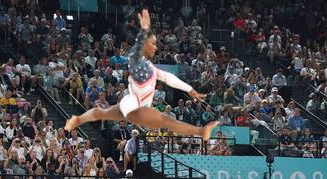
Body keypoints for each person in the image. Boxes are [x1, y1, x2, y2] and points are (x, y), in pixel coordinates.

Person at [65, 10, 219, 141]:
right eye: (152, 43)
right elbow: (140, 50)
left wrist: (189, 89)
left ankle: (77, 119)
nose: (155, 47)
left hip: (130, 104)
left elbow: (167, 77)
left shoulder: (149, 66)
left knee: (102, 112)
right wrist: (144, 30)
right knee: (166, 120)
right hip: (134, 106)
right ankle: (200, 131)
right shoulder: (136, 60)